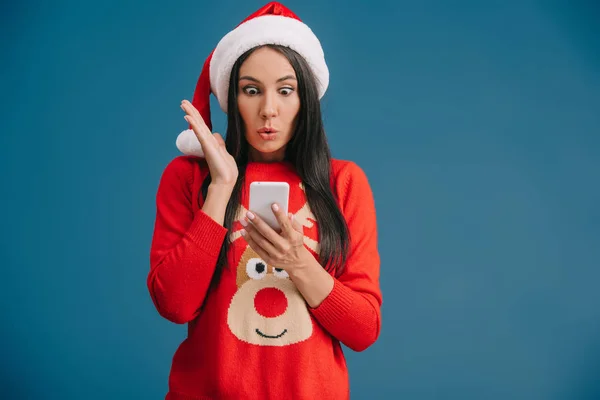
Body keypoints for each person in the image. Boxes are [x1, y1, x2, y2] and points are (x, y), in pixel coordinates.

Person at [148, 2, 382, 399]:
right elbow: (174, 305)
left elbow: (363, 330)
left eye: (285, 90)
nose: (268, 110)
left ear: (305, 99)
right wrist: (221, 187)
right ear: (232, 98)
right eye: (251, 90)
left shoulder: (343, 182)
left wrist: (298, 261)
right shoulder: (189, 178)